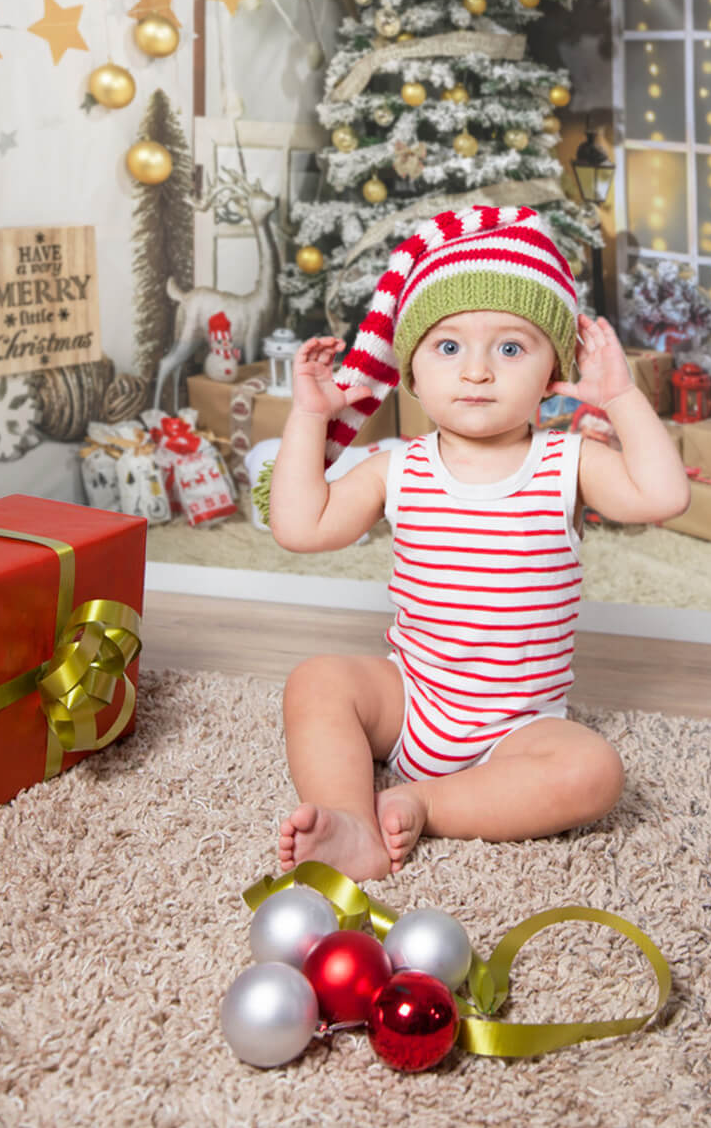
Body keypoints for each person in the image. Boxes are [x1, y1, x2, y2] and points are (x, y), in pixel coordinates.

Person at [269, 205, 689, 882]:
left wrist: (622, 397)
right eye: (449, 346)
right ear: (411, 369)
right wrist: (309, 416)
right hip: (411, 695)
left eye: (512, 348)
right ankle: (349, 819)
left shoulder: (568, 463)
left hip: (520, 725)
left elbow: (663, 496)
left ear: (556, 368)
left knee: (594, 772)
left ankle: (423, 803)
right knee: (316, 682)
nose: (477, 372)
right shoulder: (398, 466)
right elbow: (300, 526)